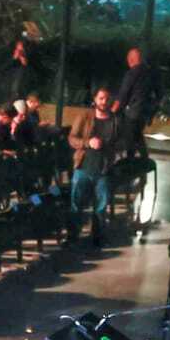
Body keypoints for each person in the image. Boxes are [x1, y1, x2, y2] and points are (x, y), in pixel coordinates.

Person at [66, 88, 118, 247]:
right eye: (101, 98)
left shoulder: (115, 120)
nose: (104, 102)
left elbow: (122, 141)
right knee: (76, 203)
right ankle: (73, 236)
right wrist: (88, 143)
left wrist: (113, 149)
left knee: (101, 207)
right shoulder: (85, 116)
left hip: (103, 169)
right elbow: (72, 139)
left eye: (107, 98)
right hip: (83, 167)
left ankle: (97, 238)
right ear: (95, 99)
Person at [110, 46, 161, 159]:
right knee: (137, 137)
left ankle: (131, 163)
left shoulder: (131, 74)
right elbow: (159, 95)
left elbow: (122, 96)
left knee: (130, 140)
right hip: (144, 114)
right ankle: (143, 161)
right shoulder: (151, 74)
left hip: (132, 114)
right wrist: (152, 112)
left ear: (130, 59)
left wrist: (111, 112)